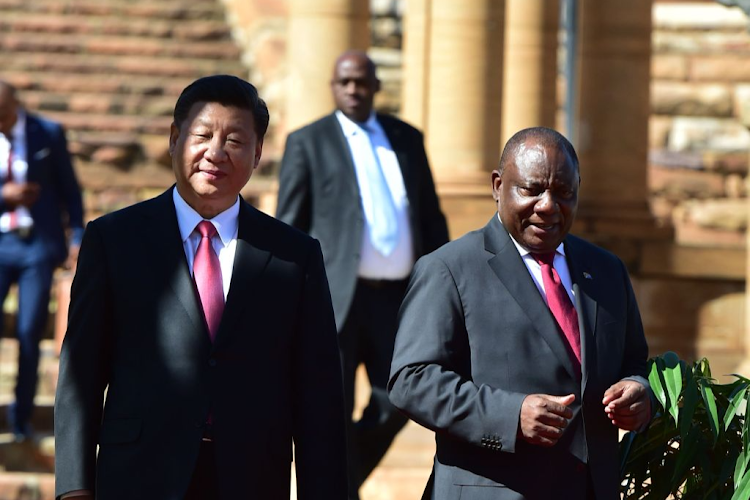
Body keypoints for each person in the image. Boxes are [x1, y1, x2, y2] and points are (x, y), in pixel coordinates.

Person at [54, 75, 348, 499]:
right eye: (202, 135)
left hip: (251, 476)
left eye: (234, 140)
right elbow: (81, 371)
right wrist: (74, 487)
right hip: (139, 472)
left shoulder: (294, 254)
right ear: (175, 139)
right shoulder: (114, 239)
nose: (216, 152)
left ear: (258, 152)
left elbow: (317, 387)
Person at [388, 127, 652, 500]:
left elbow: (633, 361)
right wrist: (510, 415)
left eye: (564, 192)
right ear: (498, 186)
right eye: (531, 190)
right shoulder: (449, 268)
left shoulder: (606, 270)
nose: (548, 205)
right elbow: (411, 381)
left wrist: (639, 393)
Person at [276, 49, 449, 497]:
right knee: (328, 405)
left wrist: (444, 286)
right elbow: (290, 224)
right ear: (334, 87)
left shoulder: (407, 138)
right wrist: (289, 296)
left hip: (398, 300)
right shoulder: (307, 141)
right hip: (331, 298)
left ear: (375, 86)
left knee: (399, 399)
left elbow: (430, 217)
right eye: (344, 82)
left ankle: (341, 482)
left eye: (361, 81)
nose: (353, 89)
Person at [0, 81, 84, 440]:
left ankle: (21, 420)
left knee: (30, 331)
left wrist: (77, 236)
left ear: (15, 105)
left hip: (37, 245)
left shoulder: (47, 133)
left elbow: (70, 189)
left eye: (3, 114)